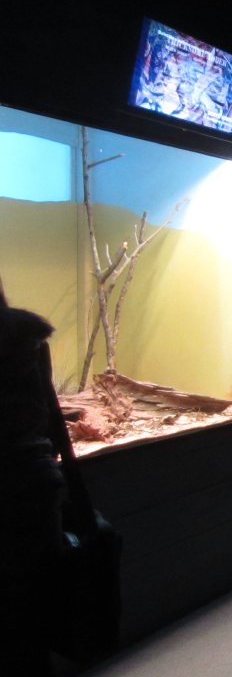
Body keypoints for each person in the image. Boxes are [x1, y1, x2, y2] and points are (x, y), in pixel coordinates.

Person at [0, 287, 66, 677]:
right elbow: (50, 411)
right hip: (37, 478)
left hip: (18, 480)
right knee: (32, 605)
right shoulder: (28, 337)